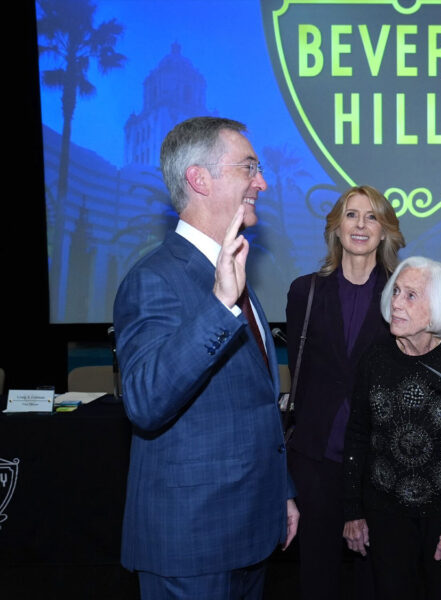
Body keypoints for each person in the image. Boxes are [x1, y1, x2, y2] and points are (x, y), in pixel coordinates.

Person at [113, 116, 298, 599]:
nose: (261, 182)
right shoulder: (154, 278)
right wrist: (219, 304)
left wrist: (282, 491)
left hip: (251, 532)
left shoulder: (231, 269)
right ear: (199, 179)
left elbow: (254, 405)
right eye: (248, 168)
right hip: (190, 546)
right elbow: (145, 401)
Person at [342, 256, 441, 600]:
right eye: (396, 291)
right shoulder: (375, 358)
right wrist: (352, 510)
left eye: (411, 295)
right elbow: (357, 436)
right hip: (385, 517)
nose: (396, 302)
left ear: (438, 307)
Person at [285, 185, 405, 600]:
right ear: (336, 227)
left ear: (384, 230)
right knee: (318, 576)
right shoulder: (304, 292)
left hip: (378, 460)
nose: (360, 225)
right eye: (351, 215)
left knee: (377, 578)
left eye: (372, 217)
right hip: (316, 458)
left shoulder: (400, 295)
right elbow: (301, 374)